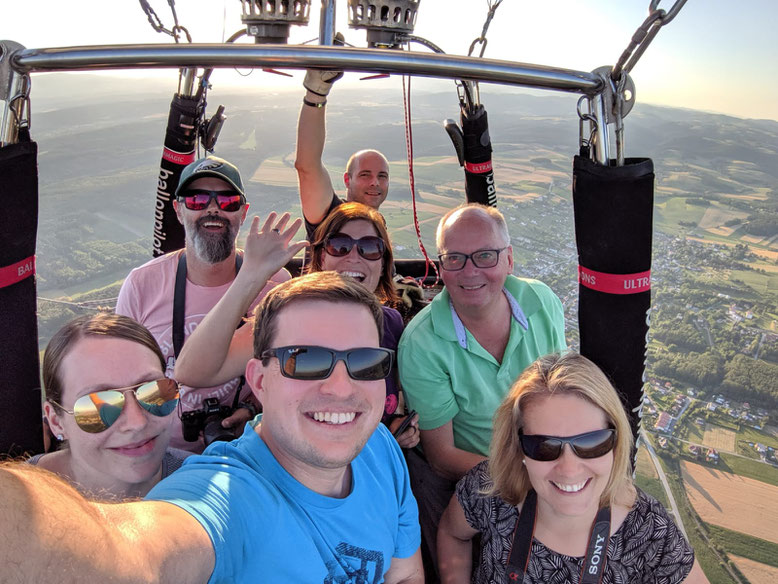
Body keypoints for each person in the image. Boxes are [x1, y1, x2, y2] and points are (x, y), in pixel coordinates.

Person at [0, 272, 423, 584]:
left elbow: (403, 573)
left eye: (365, 362)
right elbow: (143, 556)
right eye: (306, 360)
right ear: (258, 381)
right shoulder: (221, 491)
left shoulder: (378, 446)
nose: (341, 387)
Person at [398, 203, 567, 578]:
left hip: (550, 463)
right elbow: (442, 456)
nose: (470, 271)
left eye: (485, 256)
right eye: (455, 258)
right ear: (441, 267)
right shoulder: (423, 344)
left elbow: (564, 392)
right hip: (479, 479)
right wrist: (530, 482)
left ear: (509, 258)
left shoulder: (542, 303)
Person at [438, 352, 708, 584]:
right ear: (518, 447)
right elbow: (453, 535)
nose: (569, 469)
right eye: (544, 446)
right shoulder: (491, 488)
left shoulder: (649, 532)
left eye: (592, 443)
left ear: (616, 442)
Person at [175, 203, 420, 448]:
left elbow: (390, 395)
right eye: (340, 245)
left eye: (370, 248)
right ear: (323, 256)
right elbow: (191, 372)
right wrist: (251, 273)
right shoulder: (291, 318)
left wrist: (397, 422)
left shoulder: (391, 323)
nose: (354, 257)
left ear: (382, 262)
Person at [116, 155, 291, 452]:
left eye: (228, 201)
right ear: (178, 210)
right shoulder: (141, 285)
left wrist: (251, 408)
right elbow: (120, 377)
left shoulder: (274, 282)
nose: (213, 209)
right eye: (197, 200)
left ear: (243, 213)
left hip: (247, 449)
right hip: (159, 451)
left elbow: (281, 369)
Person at [32, 313, 187, 500]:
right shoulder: (12, 504)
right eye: (99, 407)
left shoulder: (207, 483)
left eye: (154, 392)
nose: (136, 422)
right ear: (56, 422)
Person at [295, 68, 391, 240]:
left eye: (382, 176)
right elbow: (307, 166)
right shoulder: (330, 217)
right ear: (347, 180)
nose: (375, 182)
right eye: (365, 175)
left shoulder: (378, 224)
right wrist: (316, 92)